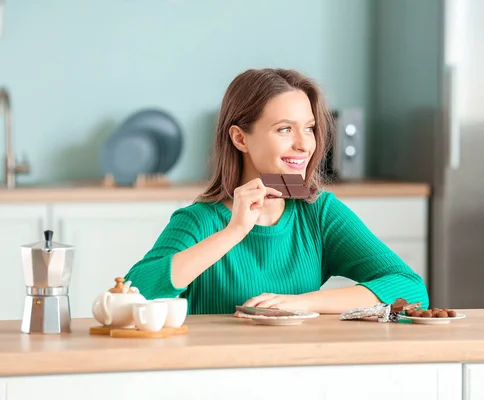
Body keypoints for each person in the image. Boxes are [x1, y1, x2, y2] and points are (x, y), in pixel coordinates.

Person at [124, 68, 429, 315]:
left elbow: (411, 290)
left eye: (309, 128)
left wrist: (300, 303)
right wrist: (233, 232)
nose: (304, 144)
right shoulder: (199, 220)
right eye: (285, 129)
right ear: (240, 139)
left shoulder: (319, 213)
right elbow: (133, 294)